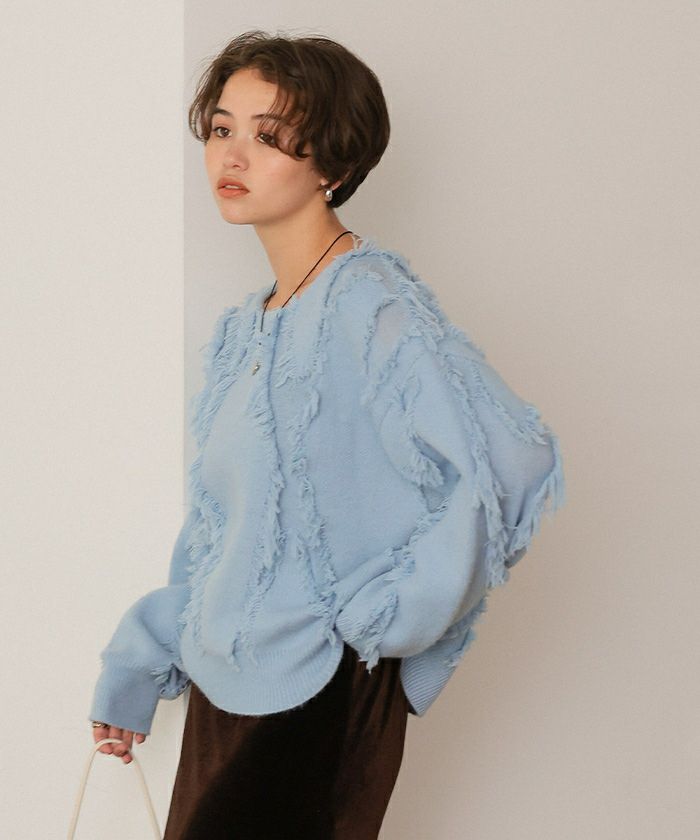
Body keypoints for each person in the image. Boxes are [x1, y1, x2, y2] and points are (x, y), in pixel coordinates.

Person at [87, 30, 565, 839]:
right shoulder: (246, 328)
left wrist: (389, 616)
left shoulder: (368, 302)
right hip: (228, 697)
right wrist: (141, 660)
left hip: (317, 693)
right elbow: (222, 535)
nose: (233, 153)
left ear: (332, 165)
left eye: (270, 136)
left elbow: (515, 459)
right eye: (222, 128)